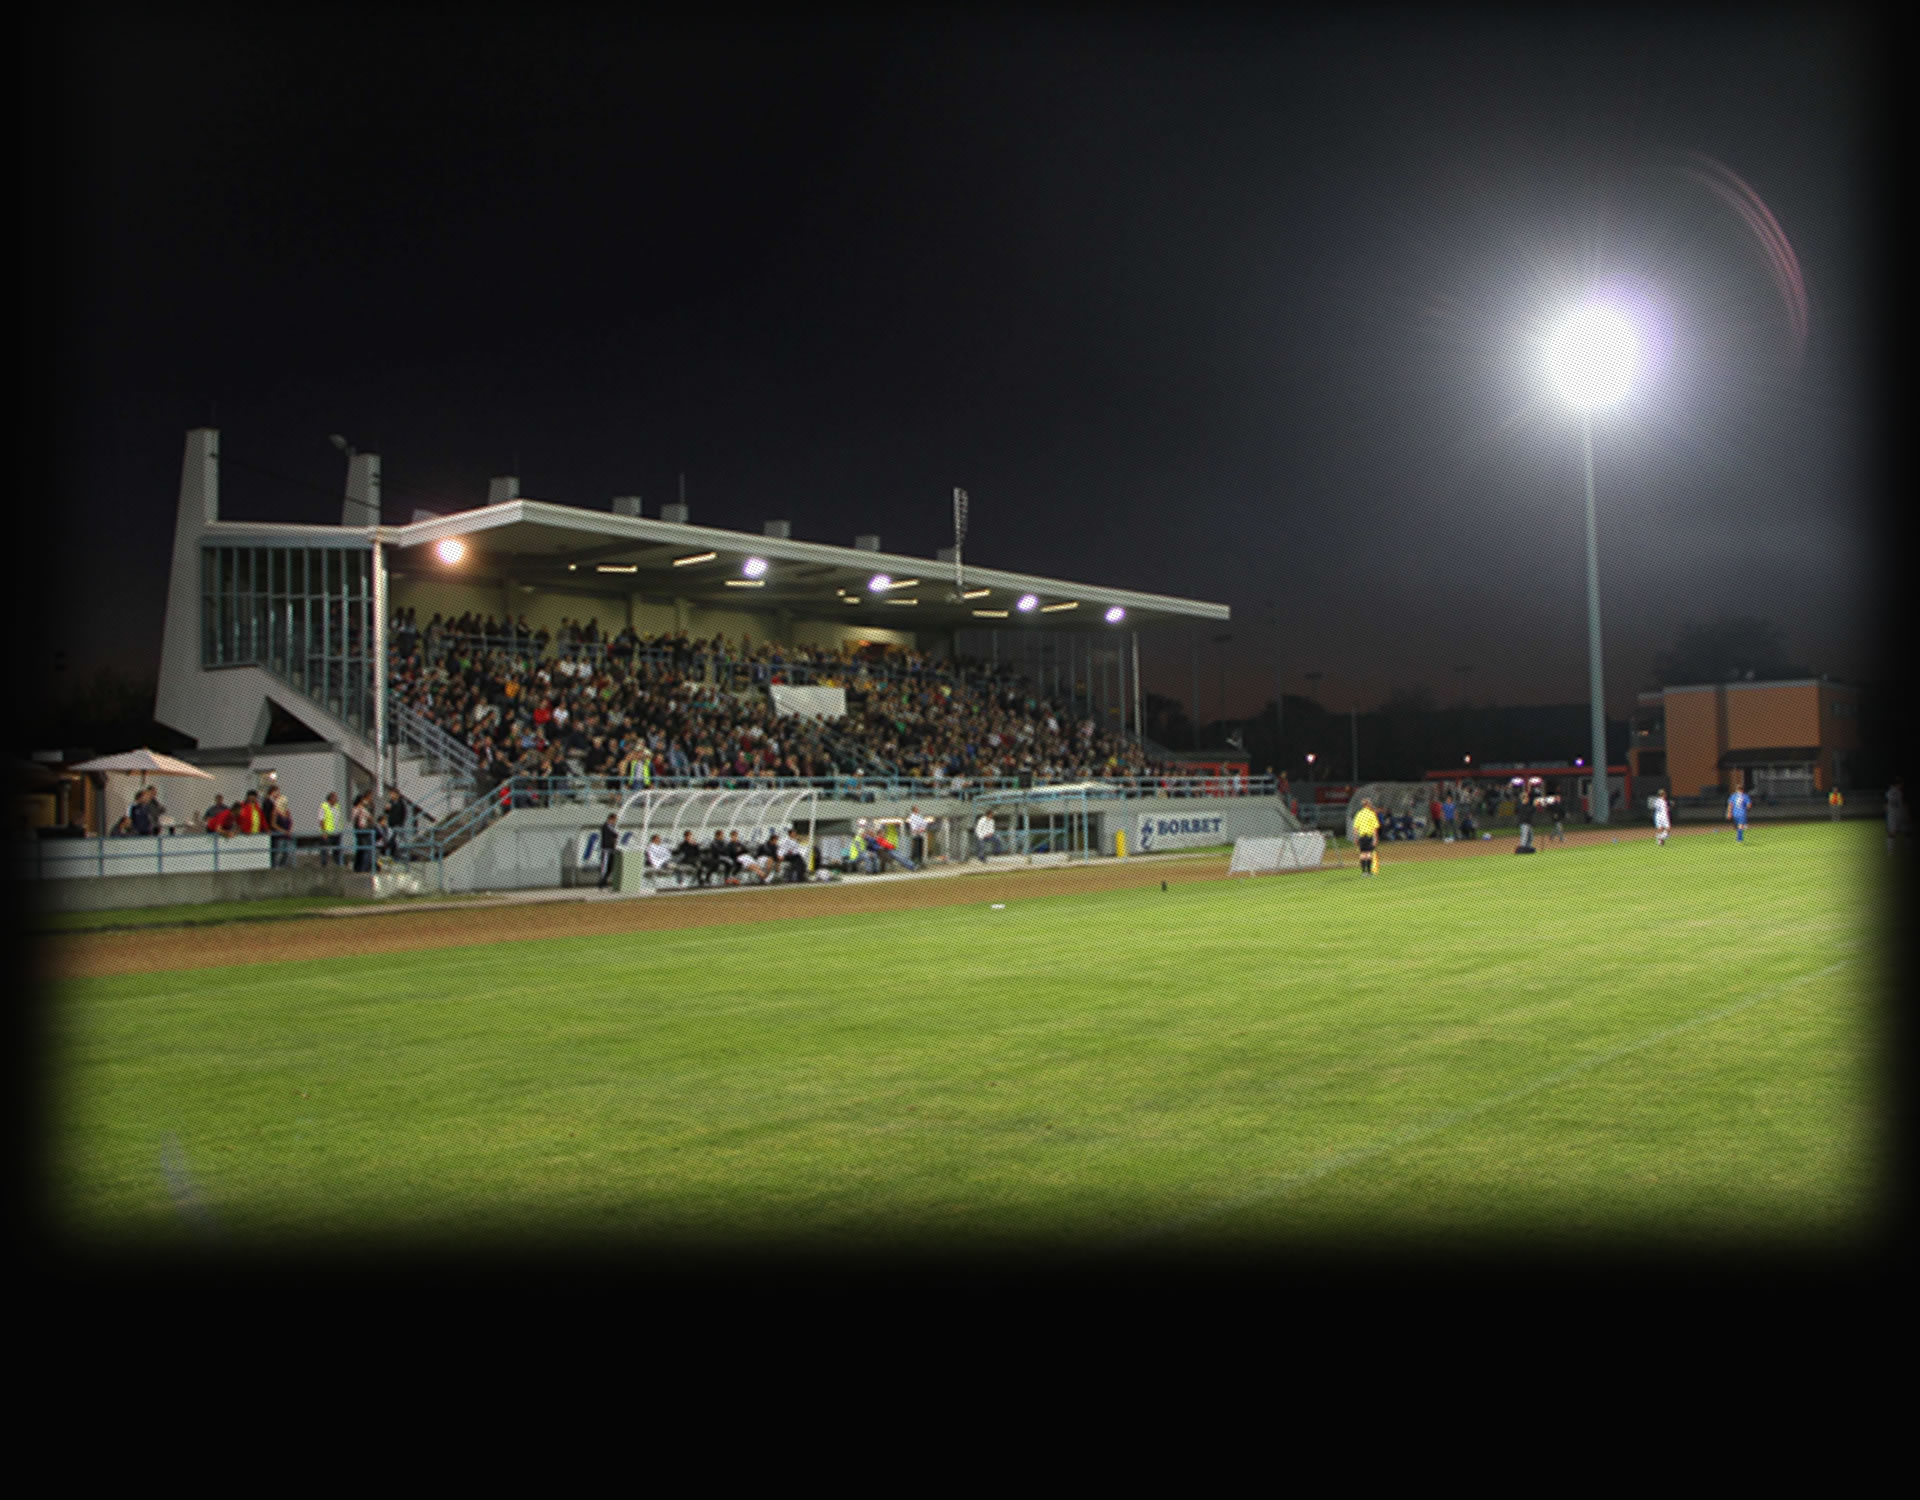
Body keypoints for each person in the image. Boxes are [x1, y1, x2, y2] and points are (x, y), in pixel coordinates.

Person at [1351, 797, 1381, 876]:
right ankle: (1369, 871)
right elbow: (1375, 828)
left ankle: (1364, 872)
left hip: (1361, 836)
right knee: (1369, 853)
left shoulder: (1359, 814)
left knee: (1362, 854)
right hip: (1369, 836)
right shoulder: (1371, 814)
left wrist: (1355, 838)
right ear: (1368, 804)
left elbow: (1355, 828)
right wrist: (1375, 839)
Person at [597, 811, 620, 888]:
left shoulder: (612, 827)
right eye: (614, 820)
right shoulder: (605, 826)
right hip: (606, 849)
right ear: (611, 819)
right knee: (605, 866)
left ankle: (605, 881)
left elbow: (615, 835)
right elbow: (612, 835)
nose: (615, 822)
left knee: (610, 866)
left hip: (611, 849)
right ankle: (602, 883)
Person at [319, 792, 342, 864]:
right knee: (325, 850)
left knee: (337, 850)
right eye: (335, 798)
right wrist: (324, 832)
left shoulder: (337, 806)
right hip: (328, 833)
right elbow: (321, 820)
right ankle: (324, 865)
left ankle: (338, 864)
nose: (337, 799)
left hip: (337, 832)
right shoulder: (324, 806)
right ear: (330, 798)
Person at [1888, 778, 1908, 855]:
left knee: (1892, 832)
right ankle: (1908, 849)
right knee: (1907, 832)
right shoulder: (1901, 792)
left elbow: (1886, 805)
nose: (1901, 785)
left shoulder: (1889, 792)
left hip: (1892, 815)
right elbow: (1905, 805)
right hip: (1900, 814)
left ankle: (1890, 850)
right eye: (1901, 784)